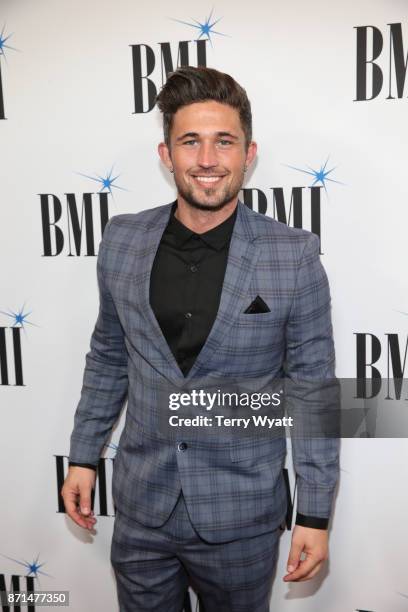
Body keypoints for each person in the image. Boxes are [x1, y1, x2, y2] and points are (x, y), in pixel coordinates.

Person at [61, 66, 340, 612]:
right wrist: (82, 456)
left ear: (248, 153)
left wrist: (314, 512)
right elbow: (109, 357)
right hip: (142, 510)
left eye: (224, 142)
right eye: (190, 142)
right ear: (166, 155)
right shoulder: (122, 240)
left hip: (243, 515)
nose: (207, 160)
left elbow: (312, 394)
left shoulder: (294, 255)